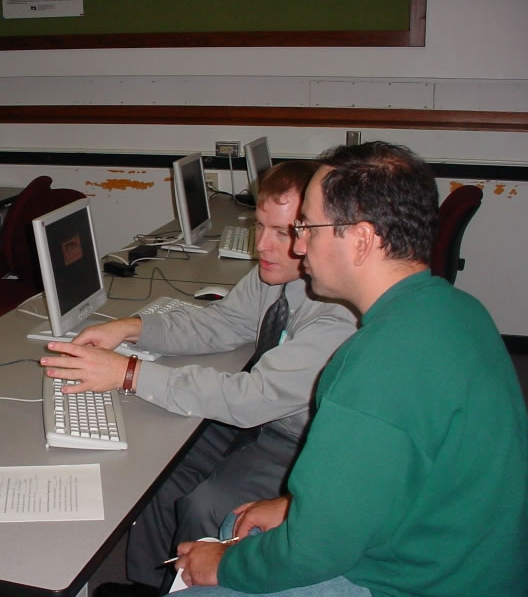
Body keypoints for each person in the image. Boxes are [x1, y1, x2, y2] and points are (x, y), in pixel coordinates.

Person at [172, 141, 528, 597]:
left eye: (307, 227)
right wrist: (294, 506)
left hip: (420, 582)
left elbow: (313, 552)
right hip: (465, 551)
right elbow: (397, 468)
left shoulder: (374, 365)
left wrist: (224, 566)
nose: (299, 244)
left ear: (360, 240)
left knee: (210, 565)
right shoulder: (457, 309)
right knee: (232, 523)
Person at [40, 161, 358, 596]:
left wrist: (128, 373)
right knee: (159, 465)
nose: (262, 246)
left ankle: (195, 586)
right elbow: (220, 324)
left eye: (283, 232)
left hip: (301, 443)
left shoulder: (337, 312)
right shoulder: (277, 273)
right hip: (264, 422)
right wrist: (133, 328)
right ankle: (150, 582)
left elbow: (252, 399)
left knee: (207, 503)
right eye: (260, 226)